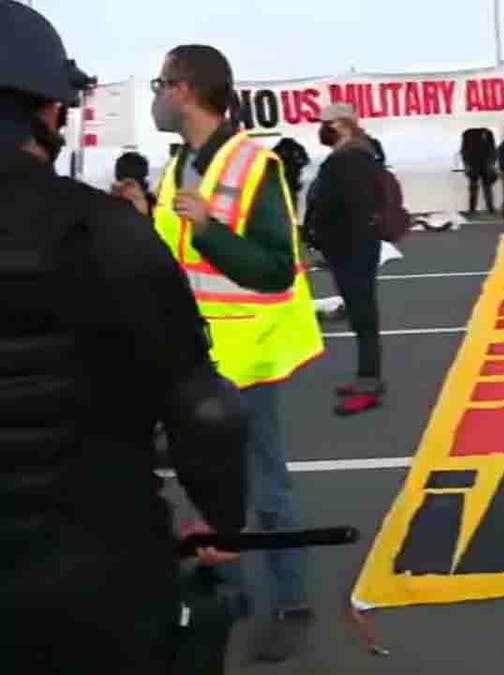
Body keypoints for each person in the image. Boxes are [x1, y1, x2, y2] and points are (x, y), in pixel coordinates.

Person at [0, 3, 247, 669]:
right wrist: (219, 516)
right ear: (49, 109)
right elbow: (206, 411)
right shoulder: (104, 230)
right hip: (97, 583)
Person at [150, 43, 325, 662]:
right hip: (199, 355)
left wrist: (209, 230)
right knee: (211, 490)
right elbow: (177, 258)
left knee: (265, 486)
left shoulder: (255, 164)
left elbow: (277, 269)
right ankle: (229, 595)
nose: (154, 97)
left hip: (249, 351)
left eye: (160, 83)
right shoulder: (180, 165)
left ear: (185, 91)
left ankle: (289, 601)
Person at [305, 103, 385, 415]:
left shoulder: (350, 160)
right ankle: (367, 376)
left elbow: (347, 206)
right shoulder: (355, 156)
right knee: (360, 313)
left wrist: (323, 240)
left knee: (364, 314)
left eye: (326, 123)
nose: (321, 129)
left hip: (352, 248)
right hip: (352, 246)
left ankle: (370, 383)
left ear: (343, 125)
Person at [460, 127, 498, 215]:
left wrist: (466, 165)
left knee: (474, 188)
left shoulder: (467, 133)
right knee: (487, 188)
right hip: (486, 165)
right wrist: (492, 163)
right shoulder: (488, 133)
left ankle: (472, 209)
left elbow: (464, 151)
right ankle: (490, 208)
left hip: (473, 164)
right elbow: (493, 150)